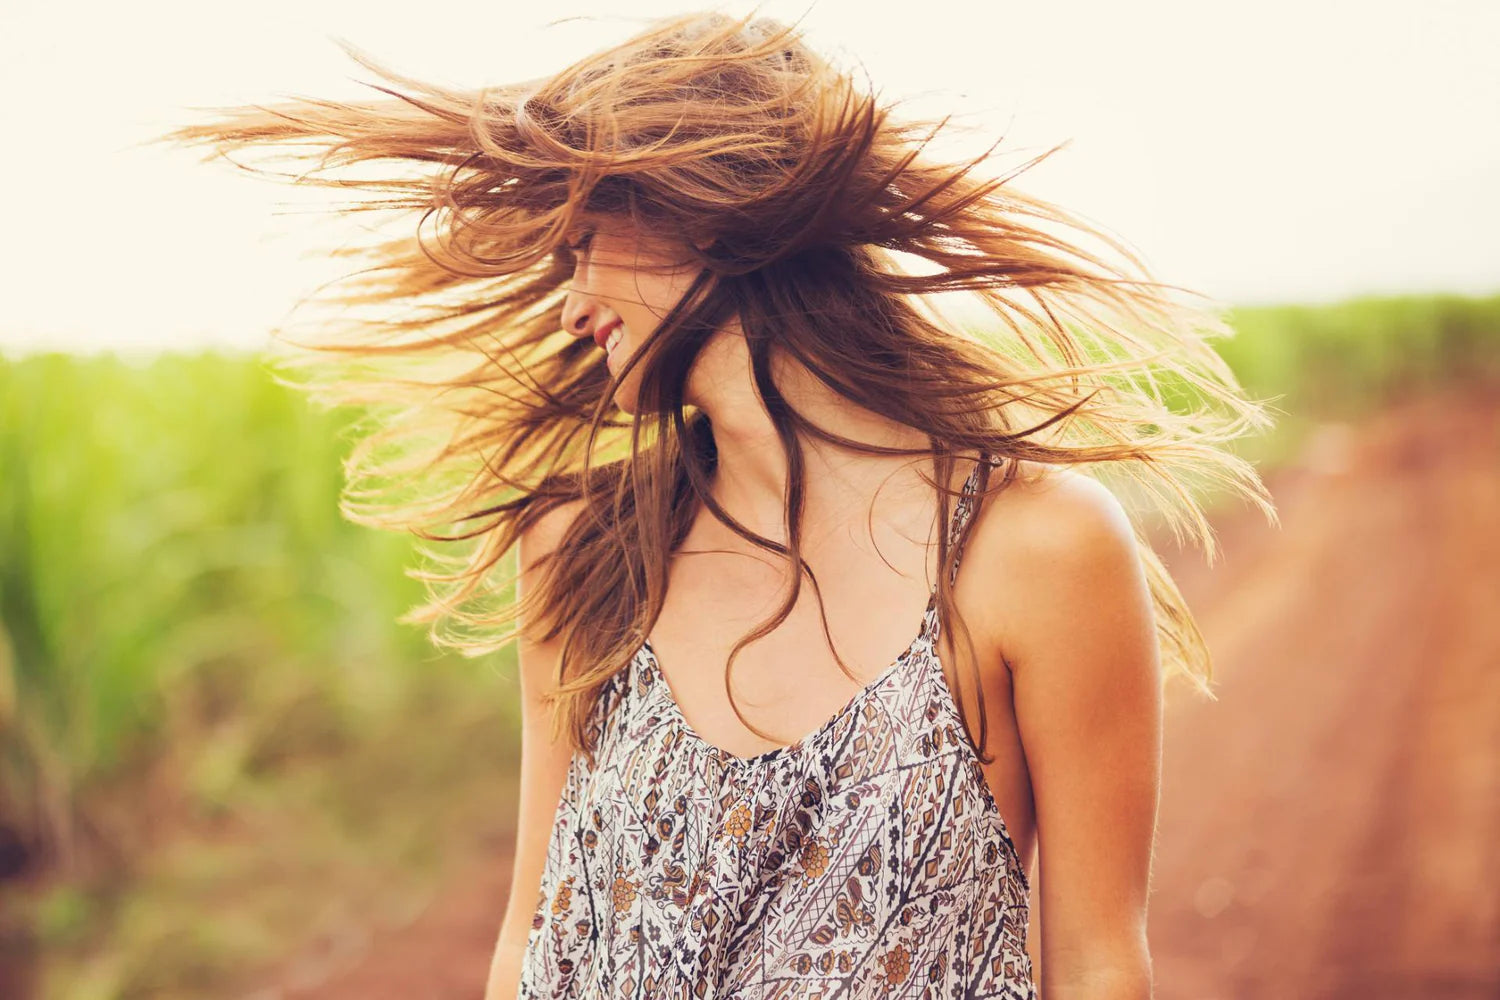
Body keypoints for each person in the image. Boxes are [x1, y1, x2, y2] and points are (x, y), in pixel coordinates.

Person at [156, 8, 1277, 998]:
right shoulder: (582, 550)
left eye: (587, 238)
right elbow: (527, 938)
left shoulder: (1033, 548)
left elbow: (1094, 964)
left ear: (707, 214)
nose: (571, 300)